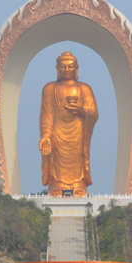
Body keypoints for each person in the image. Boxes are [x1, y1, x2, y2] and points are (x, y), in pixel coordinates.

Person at [39, 51, 98, 197]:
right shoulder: (49, 89)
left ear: (76, 68)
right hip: (57, 132)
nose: (66, 70)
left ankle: (79, 186)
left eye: (70, 67)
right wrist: (46, 136)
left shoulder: (85, 89)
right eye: (63, 67)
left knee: (78, 162)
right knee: (56, 161)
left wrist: (82, 111)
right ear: (57, 68)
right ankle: (57, 187)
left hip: (78, 132)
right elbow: (46, 115)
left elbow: (94, 113)